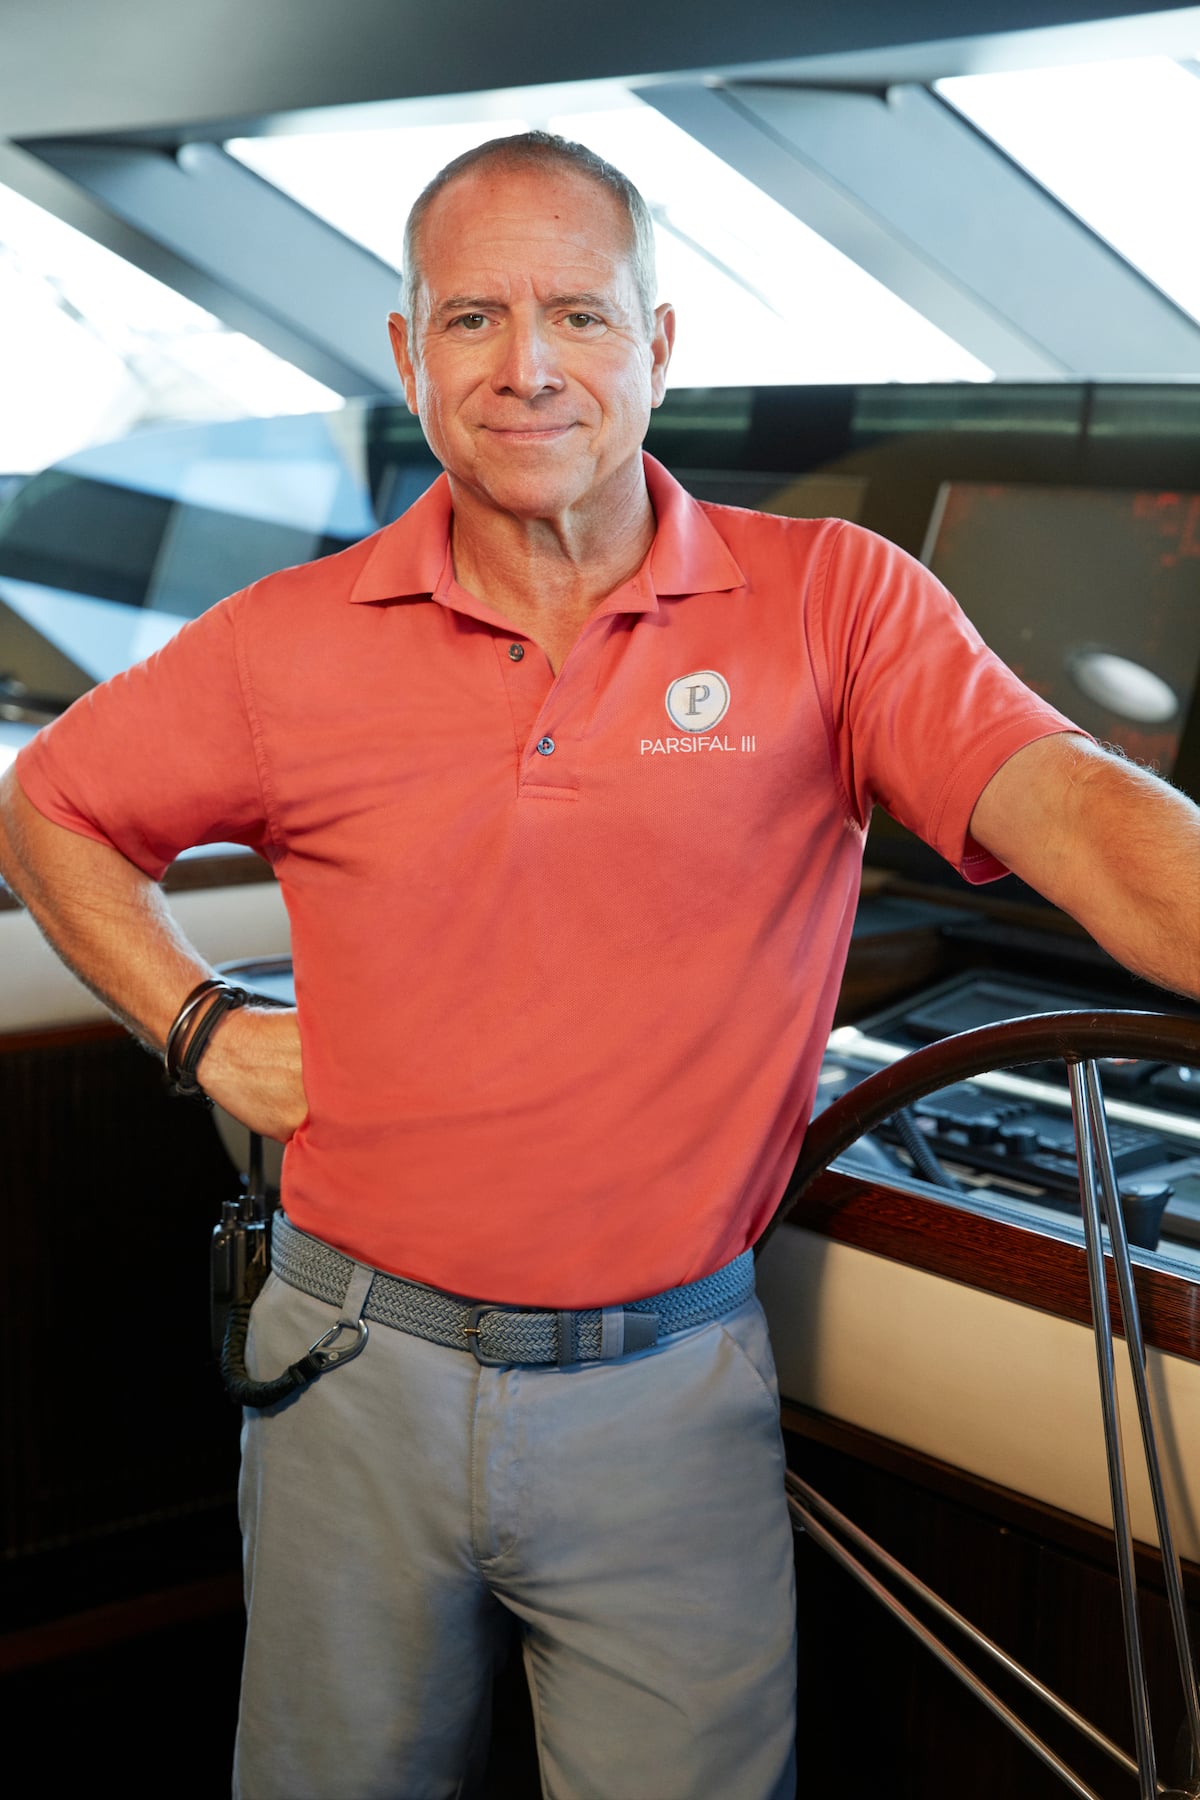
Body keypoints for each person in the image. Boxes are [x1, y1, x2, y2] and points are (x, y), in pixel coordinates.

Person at [1, 130, 1198, 1800]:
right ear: (410, 352)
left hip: (670, 1391)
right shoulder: (285, 641)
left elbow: (1066, 805)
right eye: (473, 318)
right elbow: (49, 807)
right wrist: (198, 1025)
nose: (529, 366)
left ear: (659, 342)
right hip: (353, 1368)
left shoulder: (835, 603)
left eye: (578, 312)